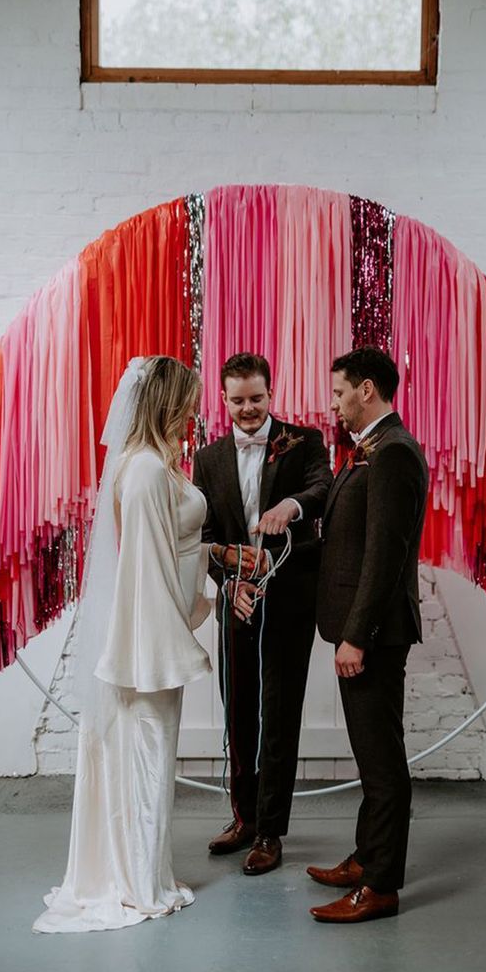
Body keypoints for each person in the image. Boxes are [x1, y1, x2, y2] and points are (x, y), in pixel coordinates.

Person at [33, 356, 213, 934]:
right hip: (146, 649)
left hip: (156, 638)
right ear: (167, 402)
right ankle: (137, 883)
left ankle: (144, 872)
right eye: (188, 399)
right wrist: (172, 646)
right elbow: (146, 572)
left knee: (151, 763)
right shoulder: (144, 473)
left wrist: (214, 562)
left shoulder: (156, 466)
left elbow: (172, 554)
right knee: (144, 761)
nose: (194, 411)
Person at [193, 353, 332, 875]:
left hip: (290, 601)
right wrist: (230, 585)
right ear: (223, 400)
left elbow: (321, 489)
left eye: (256, 398)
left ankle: (271, 832)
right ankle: (244, 818)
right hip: (236, 602)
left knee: (278, 715)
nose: (248, 409)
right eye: (238, 400)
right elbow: (203, 539)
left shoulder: (304, 442)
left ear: (270, 394)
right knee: (239, 713)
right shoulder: (207, 459)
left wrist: (291, 506)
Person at [308, 346, 429, 923]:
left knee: (382, 763)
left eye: (339, 392)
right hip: (361, 630)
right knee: (371, 752)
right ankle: (365, 857)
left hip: (374, 635)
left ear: (367, 390)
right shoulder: (372, 449)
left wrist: (355, 635)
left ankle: (379, 887)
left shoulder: (393, 454)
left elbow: (385, 556)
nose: (334, 403)